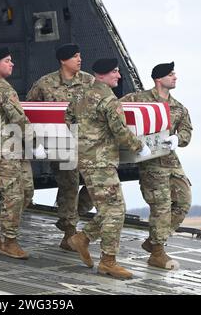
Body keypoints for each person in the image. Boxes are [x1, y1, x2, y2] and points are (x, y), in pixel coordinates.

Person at [65, 58, 151, 279]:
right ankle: (108, 261)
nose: (119, 76)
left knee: (111, 209)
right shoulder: (108, 100)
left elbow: (68, 118)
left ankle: (82, 238)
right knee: (115, 210)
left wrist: (85, 139)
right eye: (115, 72)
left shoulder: (79, 94)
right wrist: (140, 147)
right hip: (101, 162)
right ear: (103, 75)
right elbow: (120, 131)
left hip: (85, 159)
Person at [119, 62, 192, 270]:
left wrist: (178, 139)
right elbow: (113, 112)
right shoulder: (137, 99)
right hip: (150, 162)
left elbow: (187, 132)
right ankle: (158, 252)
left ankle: (153, 241)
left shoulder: (178, 107)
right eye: (170, 74)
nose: (175, 77)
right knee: (161, 206)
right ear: (158, 79)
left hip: (171, 160)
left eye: (174, 74)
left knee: (184, 201)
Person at [26, 43, 95, 251]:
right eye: (75, 56)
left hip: (85, 143)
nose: (79, 59)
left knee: (94, 185)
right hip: (60, 145)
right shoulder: (45, 84)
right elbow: (30, 109)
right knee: (69, 185)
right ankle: (69, 233)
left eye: (79, 56)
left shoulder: (89, 81)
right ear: (63, 60)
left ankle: (68, 217)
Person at [0, 47, 41, 259]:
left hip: (10, 147)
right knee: (13, 195)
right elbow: (19, 118)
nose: (12, 64)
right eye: (8, 61)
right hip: (2, 149)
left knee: (27, 191)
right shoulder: (1, 89)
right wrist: (35, 143)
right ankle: (9, 241)